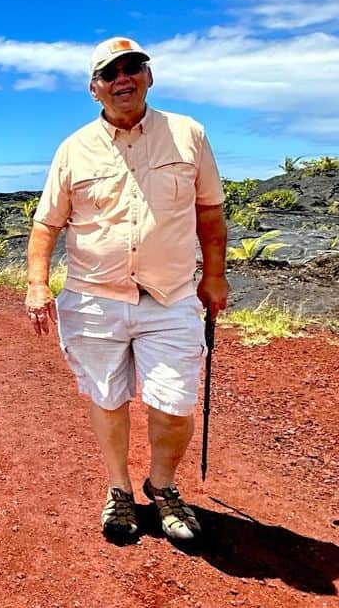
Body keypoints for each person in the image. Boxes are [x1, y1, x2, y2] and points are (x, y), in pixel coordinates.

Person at [24, 36, 229, 541]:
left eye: (133, 67)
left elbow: (210, 212)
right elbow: (47, 224)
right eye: (111, 72)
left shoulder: (188, 135)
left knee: (175, 402)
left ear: (148, 76)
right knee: (107, 398)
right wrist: (36, 283)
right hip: (94, 298)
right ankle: (119, 492)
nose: (123, 78)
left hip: (171, 295)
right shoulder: (74, 148)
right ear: (95, 88)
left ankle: (162, 487)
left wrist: (216, 274)